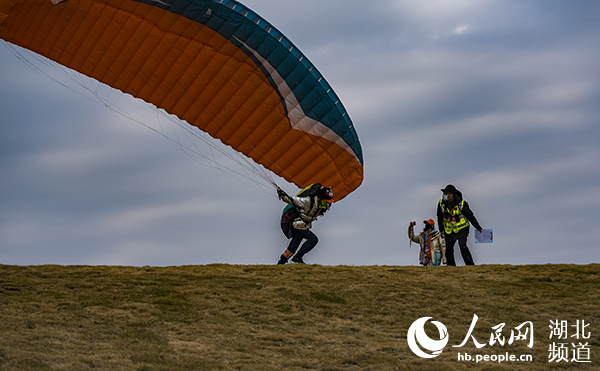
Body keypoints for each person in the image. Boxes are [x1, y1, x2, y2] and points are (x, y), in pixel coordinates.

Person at [276, 184, 333, 264]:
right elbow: (293, 200)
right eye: (326, 201)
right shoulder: (308, 201)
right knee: (313, 239)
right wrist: (283, 195)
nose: (327, 203)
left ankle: (281, 262)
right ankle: (298, 257)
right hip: (298, 226)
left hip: (303, 226)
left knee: (292, 247)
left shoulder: (322, 206)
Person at [436, 185, 483, 266]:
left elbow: (470, 216)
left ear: (452, 195)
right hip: (449, 230)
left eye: (446, 194)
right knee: (448, 249)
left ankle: (470, 265)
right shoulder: (441, 204)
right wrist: (442, 230)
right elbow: (439, 218)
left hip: (462, 229)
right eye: (444, 193)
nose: (444, 195)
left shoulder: (462, 204)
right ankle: (451, 267)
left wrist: (478, 227)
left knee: (463, 246)